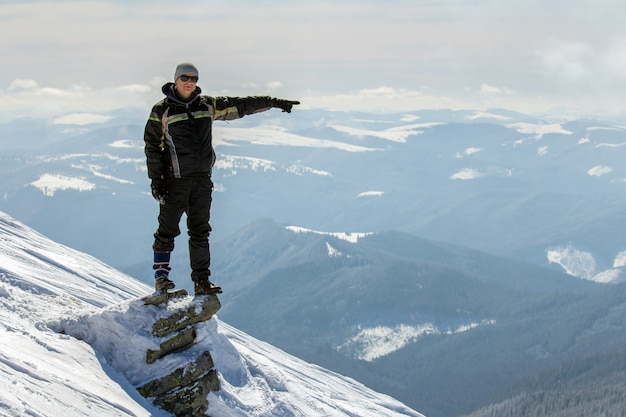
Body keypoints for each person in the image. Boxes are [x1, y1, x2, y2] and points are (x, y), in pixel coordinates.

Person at [144, 62, 299, 295]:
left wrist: (274, 102)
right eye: (185, 78)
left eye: (194, 78)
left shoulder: (207, 105)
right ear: (175, 80)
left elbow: (242, 105)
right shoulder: (162, 111)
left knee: (200, 231)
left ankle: (202, 281)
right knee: (167, 231)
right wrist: (156, 181)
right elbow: (153, 147)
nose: (189, 82)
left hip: (202, 181)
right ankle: (162, 279)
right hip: (174, 181)